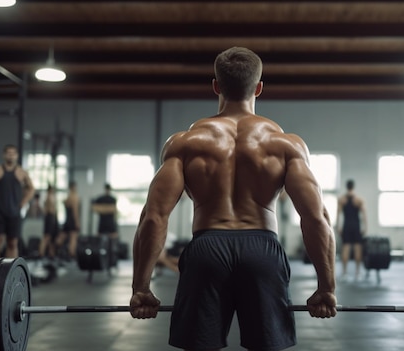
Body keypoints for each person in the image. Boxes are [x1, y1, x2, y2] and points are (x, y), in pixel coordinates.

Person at [129, 47, 337, 351]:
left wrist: (141, 287)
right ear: (259, 88)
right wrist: (326, 287)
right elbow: (316, 218)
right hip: (262, 251)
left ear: (216, 85)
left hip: (206, 249)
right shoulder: (285, 145)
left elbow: (154, 217)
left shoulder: (185, 143)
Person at [0, 144, 35, 258]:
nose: (11, 156)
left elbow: (31, 188)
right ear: (4, 155)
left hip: (14, 212)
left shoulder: (21, 172)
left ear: (17, 156)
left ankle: (10, 273)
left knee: (13, 243)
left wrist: (24, 202)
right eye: (8, 153)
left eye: (13, 153)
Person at [334, 179, 367, 282]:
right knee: (358, 248)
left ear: (346, 186)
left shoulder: (341, 199)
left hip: (346, 225)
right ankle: (357, 273)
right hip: (356, 225)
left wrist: (338, 227)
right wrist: (365, 227)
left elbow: (338, 214)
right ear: (353, 186)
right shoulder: (359, 200)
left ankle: (344, 273)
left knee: (346, 248)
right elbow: (364, 215)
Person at [92, 183, 119, 267]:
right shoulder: (100, 199)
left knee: (112, 243)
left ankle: (112, 261)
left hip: (110, 224)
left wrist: (103, 209)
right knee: (99, 242)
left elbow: (114, 211)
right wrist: (108, 209)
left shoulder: (113, 199)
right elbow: (94, 208)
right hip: (103, 223)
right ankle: (99, 260)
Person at [55, 181, 80, 260]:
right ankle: (71, 255)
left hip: (67, 220)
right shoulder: (75, 197)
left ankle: (54, 249)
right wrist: (77, 222)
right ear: (74, 187)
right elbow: (75, 211)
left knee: (61, 238)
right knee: (73, 238)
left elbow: (64, 203)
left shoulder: (68, 198)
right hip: (72, 220)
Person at [38, 184, 59, 260]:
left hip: (52, 218)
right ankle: (41, 253)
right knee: (47, 236)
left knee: (51, 238)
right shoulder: (48, 197)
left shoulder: (50, 197)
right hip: (49, 218)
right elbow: (47, 208)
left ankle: (51, 253)